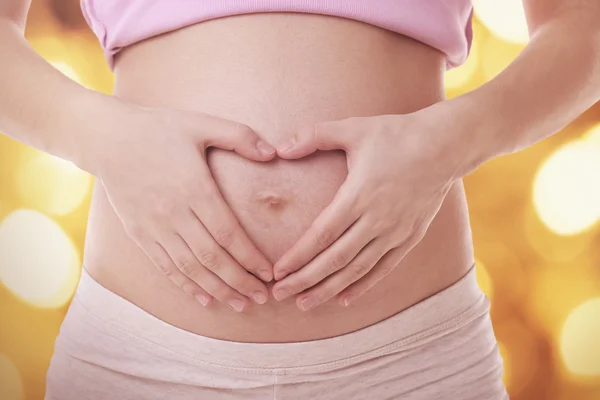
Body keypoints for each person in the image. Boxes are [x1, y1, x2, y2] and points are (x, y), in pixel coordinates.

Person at [1, 0, 599, 398]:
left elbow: (585, 27)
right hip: (137, 366)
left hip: (412, 367)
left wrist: (448, 142)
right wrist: (96, 136)